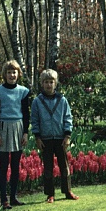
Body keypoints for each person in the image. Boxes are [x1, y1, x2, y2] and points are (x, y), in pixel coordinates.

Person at [31, 68, 78, 203]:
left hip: (60, 138)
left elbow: (68, 118)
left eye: (51, 82)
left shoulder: (62, 100)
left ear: (55, 83)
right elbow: (34, 120)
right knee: (48, 168)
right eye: (46, 82)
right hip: (45, 139)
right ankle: (50, 194)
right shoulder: (37, 101)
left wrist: (67, 136)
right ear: (42, 83)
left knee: (64, 166)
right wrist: (37, 137)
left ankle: (67, 190)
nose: (48, 85)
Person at [0, 59, 31, 209]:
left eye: (14, 72)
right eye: (9, 72)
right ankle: (3, 200)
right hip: (3, 127)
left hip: (18, 128)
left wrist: (25, 133)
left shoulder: (23, 91)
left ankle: (13, 197)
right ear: (4, 75)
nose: (11, 75)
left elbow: (26, 114)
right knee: (4, 166)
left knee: (15, 165)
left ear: (18, 74)